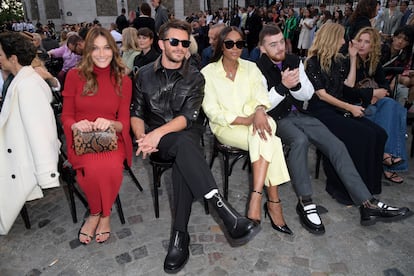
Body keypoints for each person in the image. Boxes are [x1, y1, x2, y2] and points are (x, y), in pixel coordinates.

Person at [130, 20, 259, 274]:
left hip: (182, 134)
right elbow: (135, 111)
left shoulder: (195, 77)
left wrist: (156, 133)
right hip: (159, 141)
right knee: (183, 148)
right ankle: (222, 210)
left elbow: (188, 117)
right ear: (161, 44)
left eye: (185, 42)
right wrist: (143, 136)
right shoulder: (143, 74)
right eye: (174, 41)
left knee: (184, 150)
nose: (180, 47)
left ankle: (180, 237)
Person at [256, 23, 411, 234]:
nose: (280, 47)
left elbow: (308, 94)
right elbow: (263, 103)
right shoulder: (256, 69)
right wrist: (283, 87)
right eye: (273, 45)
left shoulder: (293, 61)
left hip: (301, 113)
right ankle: (305, 201)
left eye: (282, 42)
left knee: (336, 145)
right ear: (263, 48)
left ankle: (367, 203)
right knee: (299, 141)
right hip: (276, 118)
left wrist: (295, 86)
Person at [201, 26, 292, 235]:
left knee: (264, 132)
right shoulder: (208, 73)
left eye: (240, 44)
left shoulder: (251, 68)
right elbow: (213, 112)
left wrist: (259, 111)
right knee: (272, 140)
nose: (235, 48)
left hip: (257, 121)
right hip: (228, 127)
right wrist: (247, 119)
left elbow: (262, 96)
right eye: (230, 44)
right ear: (221, 46)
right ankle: (272, 203)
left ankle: (256, 196)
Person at [61, 27, 132, 244]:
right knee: (91, 170)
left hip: (112, 141)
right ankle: (96, 212)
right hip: (82, 141)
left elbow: (124, 124)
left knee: (110, 168)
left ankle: (104, 215)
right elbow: (66, 115)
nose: (102, 54)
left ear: (114, 49)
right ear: (87, 51)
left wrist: (110, 123)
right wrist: (75, 125)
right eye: (95, 49)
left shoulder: (123, 80)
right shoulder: (74, 76)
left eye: (106, 48)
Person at [304, 22, 389, 205]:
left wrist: (351, 58)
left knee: (379, 134)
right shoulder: (312, 62)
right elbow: (322, 95)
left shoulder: (339, 60)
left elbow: (348, 86)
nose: (344, 40)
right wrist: (349, 107)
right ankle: (344, 190)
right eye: (341, 37)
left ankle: (370, 187)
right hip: (320, 112)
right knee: (361, 135)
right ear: (332, 38)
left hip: (339, 108)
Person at [0, 32, 60, 235]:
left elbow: (40, 133)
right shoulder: (22, 80)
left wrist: (47, 176)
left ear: (13, 58)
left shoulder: (27, 86)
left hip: (20, 158)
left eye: (0, 54)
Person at [353, 27, 408, 183]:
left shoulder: (373, 62)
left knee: (392, 106)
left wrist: (379, 93)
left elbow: (385, 85)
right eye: (360, 41)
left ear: (373, 46)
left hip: (373, 100)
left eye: (367, 42)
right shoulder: (348, 59)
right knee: (378, 111)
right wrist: (371, 94)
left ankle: (387, 155)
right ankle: (388, 163)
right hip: (355, 103)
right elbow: (346, 90)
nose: (362, 45)